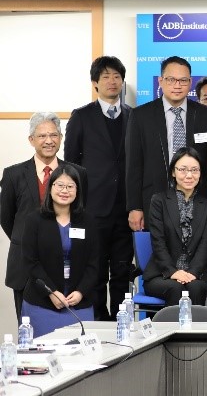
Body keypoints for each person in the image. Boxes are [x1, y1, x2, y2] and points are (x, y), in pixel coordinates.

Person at [65, 56, 132, 320]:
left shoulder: (133, 116)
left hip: (126, 207)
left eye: (116, 76)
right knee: (94, 270)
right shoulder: (81, 116)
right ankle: (98, 322)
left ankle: (120, 321)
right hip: (93, 207)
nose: (112, 81)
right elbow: (70, 164)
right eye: (105, 77)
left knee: (122, 270)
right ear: (95, 83)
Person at [3, 113, 87, 318]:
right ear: (31, 140)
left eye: (53, 135)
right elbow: (6, 218)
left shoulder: (78, 173)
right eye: (42, 136)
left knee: (68, 336)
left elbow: (82, 216)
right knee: (28, 334)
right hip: (24, 268)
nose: (48, 141)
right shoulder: (13, 175)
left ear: (61, 138)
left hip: (68, 268)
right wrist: (29, 242)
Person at [126, 56, 207, 234]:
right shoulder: (141, 116)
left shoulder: (205, 115)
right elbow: (133, 165)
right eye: (171, 79)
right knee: (158, 256)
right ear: (160, 81)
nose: (177, 85)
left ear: (190, 82)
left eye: (183, 80)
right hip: (155, 200)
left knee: (196, 257)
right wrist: (135, 207)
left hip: (198, 202)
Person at [19, 165, 98, 337]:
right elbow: (31, 262)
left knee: (80, 358)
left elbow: (95, 263)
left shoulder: (87, 221)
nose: (65, 191)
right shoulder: (35, 220)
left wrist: (80, 292)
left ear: (77, 191)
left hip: (79, 303)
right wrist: (51, 292)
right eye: (60, 185)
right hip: (42, 302)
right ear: (51, 187)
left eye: (70, 186)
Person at [144, 148, 207, 304]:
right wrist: (173, 272)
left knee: (195, 287)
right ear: (173, 172)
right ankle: (173, 329)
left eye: (194, 170)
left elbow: (205, 244)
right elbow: (158, 242)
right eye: (182, 170)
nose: (189, 175)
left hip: (195, 274)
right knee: (176, 288)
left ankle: (194, 329)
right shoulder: (159, 201)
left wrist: (192, 272)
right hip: (161, 273)